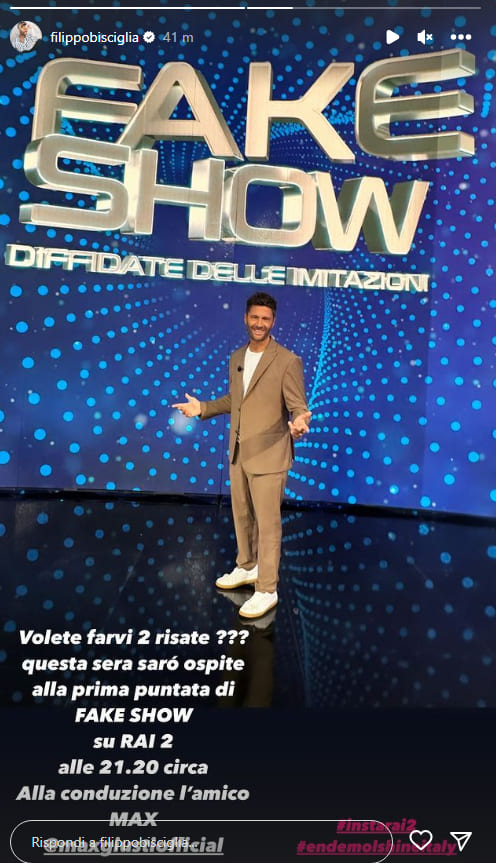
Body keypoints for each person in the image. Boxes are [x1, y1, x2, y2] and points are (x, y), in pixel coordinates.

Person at [173, 292, 311, 619]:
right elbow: (236, 399)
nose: (259, 323)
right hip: (239, 453)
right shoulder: (237, 356)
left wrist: (299, 423)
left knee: (268, 524)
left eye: (265, 318)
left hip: (270, 455)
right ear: (246, 318)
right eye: (255, 317)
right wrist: (202, 408)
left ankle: (267, 589)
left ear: (273, 322)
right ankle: (247, 566)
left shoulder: (287, 361)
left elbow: (298, 406)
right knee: (243, 516)